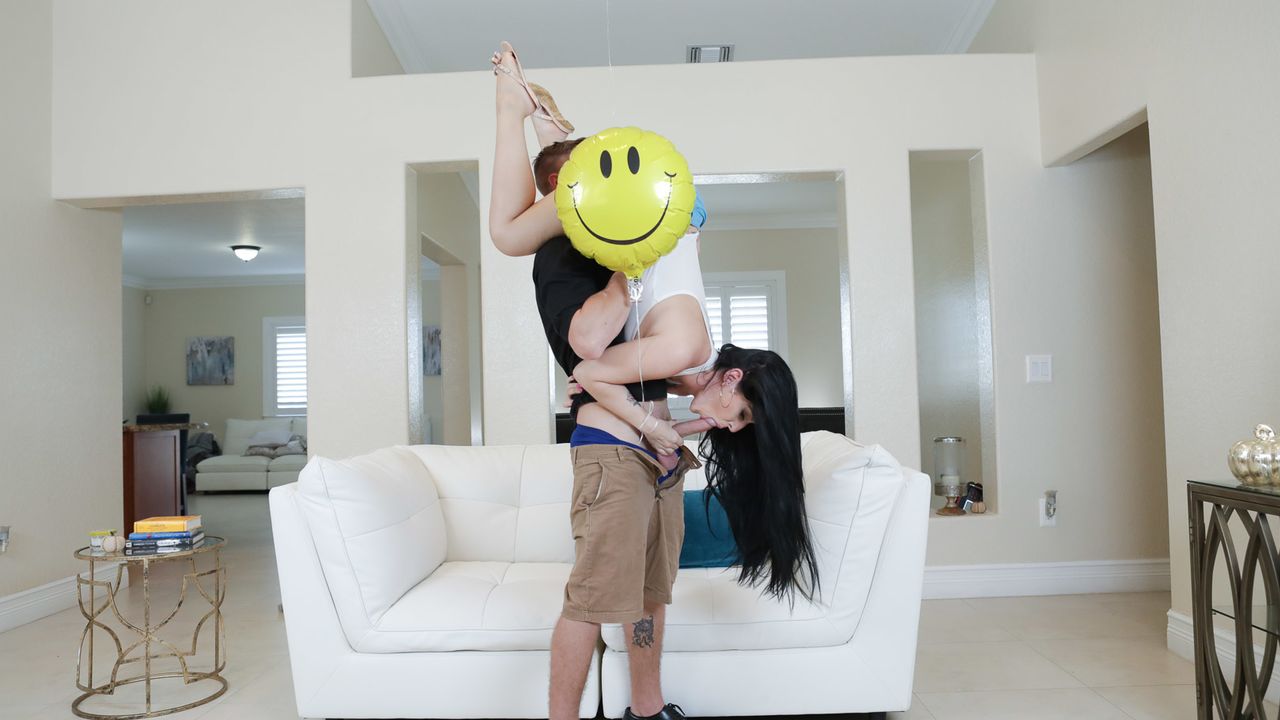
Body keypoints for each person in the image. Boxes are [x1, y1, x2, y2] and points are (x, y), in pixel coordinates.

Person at [489, 42, 819, 720]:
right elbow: (587, 364)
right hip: (615, 455)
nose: (727, 426)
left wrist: (670, 426)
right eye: (739, 414)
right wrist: (647, 420)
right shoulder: (672, 328)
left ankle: (647, 708)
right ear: (735, 377)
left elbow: (639, 378)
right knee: (591, 602)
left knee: (649, 596)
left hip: (654, 462)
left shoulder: (689, 356)